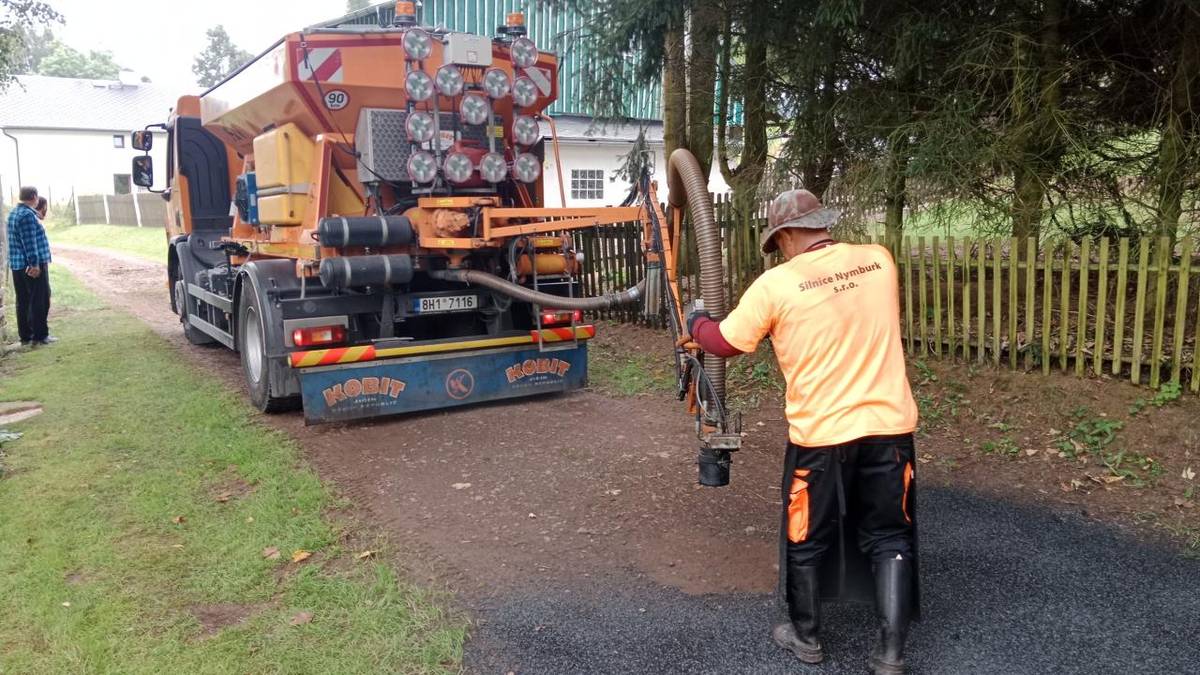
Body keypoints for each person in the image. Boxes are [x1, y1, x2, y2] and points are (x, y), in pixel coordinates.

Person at [686, 189, 920, 675]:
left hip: (821, 437)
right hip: (890, 430)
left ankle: (807, 636)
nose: (782, 250)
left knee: (806, 537)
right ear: (822, 223)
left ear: (787, 235)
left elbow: (724, 343)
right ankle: (890, 655)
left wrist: (697, 320)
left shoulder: (778, 284)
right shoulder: (878, 261)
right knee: (890, 537)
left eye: (780, 242)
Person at [7, 186, 55, 347]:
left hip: (17, 264)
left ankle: (26, 336)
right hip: (31, 265)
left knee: (23, 300)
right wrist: (34, 264)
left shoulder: (13, 213)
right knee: (39, 299)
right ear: (34, 196)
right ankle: (40, 336)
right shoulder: (28, 215)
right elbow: (30, 243)